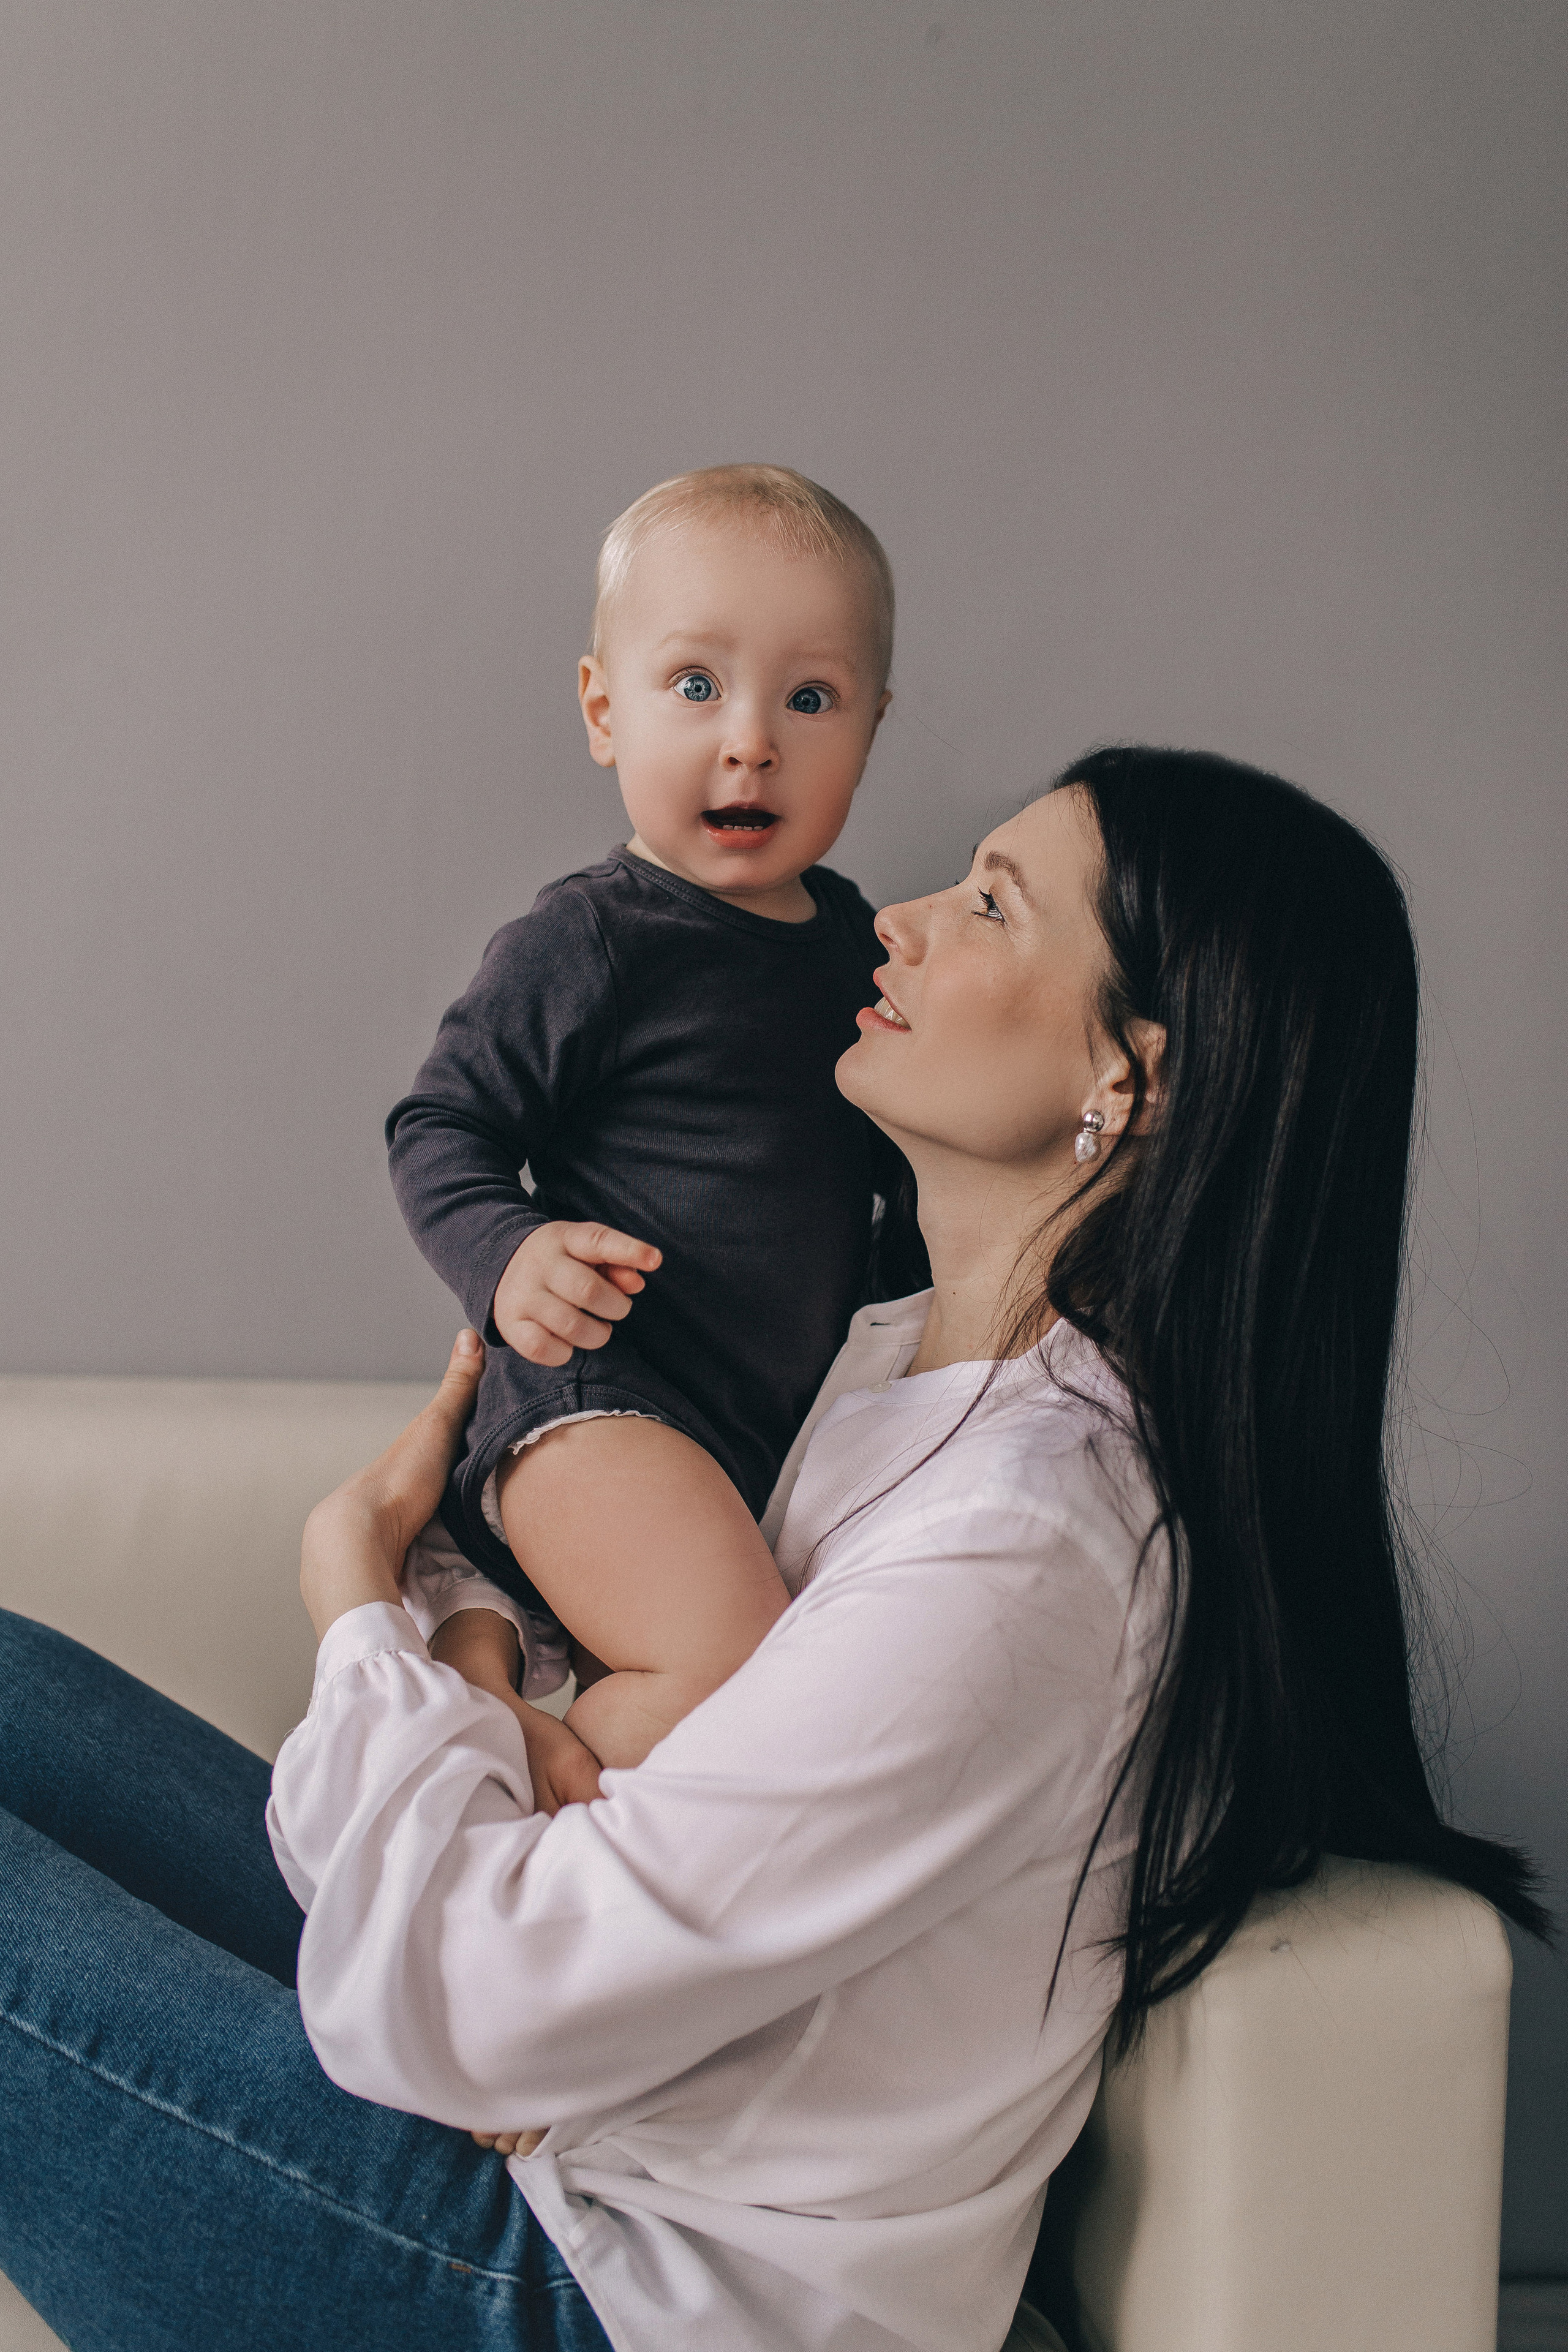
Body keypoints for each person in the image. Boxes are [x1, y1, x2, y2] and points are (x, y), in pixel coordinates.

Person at [0, 750, 1545, 2352]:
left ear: (1131, 1081)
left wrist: (366, 1617)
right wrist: (485, 1690)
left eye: (995, 904)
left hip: (617, 2300)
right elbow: (601, 1840)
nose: (908, 925)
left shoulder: (1033, 1539)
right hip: (571, 2144)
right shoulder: (891, 1367)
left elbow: (478, 2002)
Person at [386, 462, 927, 1804]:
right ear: (601, 709)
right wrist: (506, 1255)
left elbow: (896, 1177)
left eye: (809, 700)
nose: (750, 741)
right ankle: (498, 1784)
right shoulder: (594, 937)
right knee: (744, 1681)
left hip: (750, 1434)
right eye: (695, 686)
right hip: (600, 1402)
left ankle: (479, 1655)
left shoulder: (860, 947)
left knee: (805, 1678)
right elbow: (439, 1120)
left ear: (870, 726)